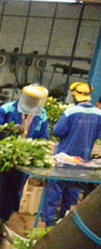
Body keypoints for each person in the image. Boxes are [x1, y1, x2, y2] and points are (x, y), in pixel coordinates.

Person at [0, 84, 49, 222]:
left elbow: (44, 138)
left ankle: (6, 221)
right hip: (2, 157)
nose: (33, 103)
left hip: (23, 162)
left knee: (14, 192)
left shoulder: (41, 115)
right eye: (31, 99)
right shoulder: (8, 109)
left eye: (36, 100)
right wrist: (8, 129)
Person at [43, 81, 101, 225]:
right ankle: (67, 220)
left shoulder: (71, 112)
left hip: (64, 158)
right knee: (73, 191)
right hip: (83, 161)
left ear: (75, 96)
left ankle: (49, 222)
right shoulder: (98, 114)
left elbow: (58, 131)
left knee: (55, 189)